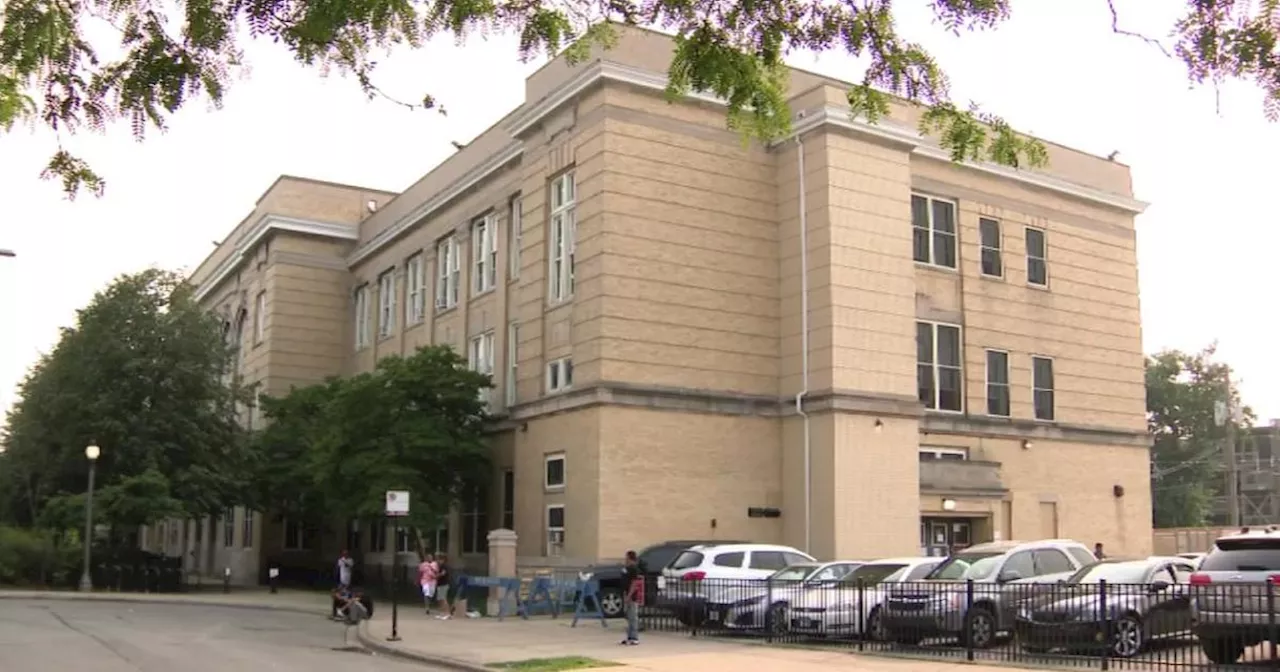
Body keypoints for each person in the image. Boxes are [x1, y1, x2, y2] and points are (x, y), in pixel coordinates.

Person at [620, 550, 641, 646]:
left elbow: (634, 583)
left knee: (633, 617)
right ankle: (629, 636)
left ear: (630, 558)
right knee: (628, 617)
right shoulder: (627, 568)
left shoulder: (633, 569)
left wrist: (629, 595)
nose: (625, 559)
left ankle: (634, 637)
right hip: (626, 593)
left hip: (632, 596)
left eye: (627, 558)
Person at [433, 553, 452, 619]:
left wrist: (436, 576)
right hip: (440, 584)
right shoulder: (440, 566)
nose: (437, 561)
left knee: (443, 599)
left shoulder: (444, 566)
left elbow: (443, 573)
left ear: (442, 560)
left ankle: (448, 614)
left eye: (438, 559)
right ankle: (442, 613)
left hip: (444, 584)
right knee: (440, 599)